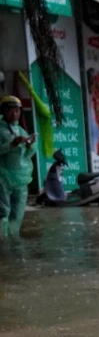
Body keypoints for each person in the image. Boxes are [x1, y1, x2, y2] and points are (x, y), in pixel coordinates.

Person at [0, 95, 36, 239]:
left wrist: (29, 144)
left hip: (20, 178)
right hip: (2, 177)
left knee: (17, 212)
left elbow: (31, 152)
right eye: (12, 111)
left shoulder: (20, 130)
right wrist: (12, 144)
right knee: (3, 211)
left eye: (18, 111)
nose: (15, 114)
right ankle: (3, 241)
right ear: (4, 111)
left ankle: (13, 241)